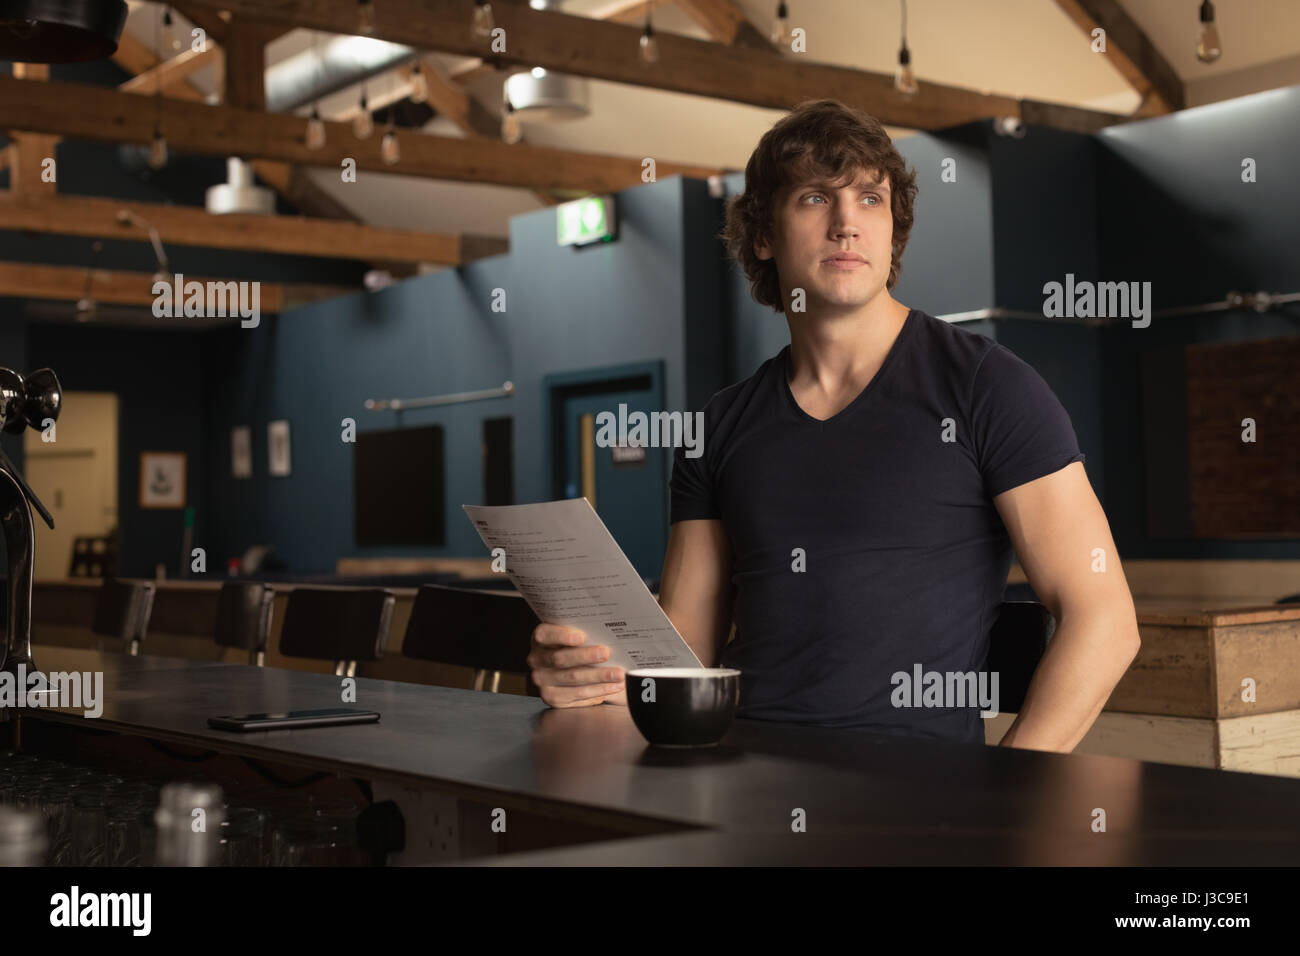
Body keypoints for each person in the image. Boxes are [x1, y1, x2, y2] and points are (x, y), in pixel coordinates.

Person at [528, 99, 1140, 751]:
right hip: (740, 785)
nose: (848, 224)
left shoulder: (988, 387)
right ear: (763, 234)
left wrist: (1011, 797)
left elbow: (1104, 618)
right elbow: (682, 650)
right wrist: (589, 677)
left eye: (871, 200)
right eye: (817, 199)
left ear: (893, 233)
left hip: (918, 805)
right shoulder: (721, 424)